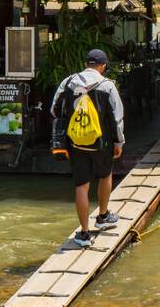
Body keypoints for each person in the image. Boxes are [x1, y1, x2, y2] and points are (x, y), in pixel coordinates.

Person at [50, 48, 126, 249]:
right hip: (102, 144)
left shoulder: (68, 82)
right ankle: (102, 216)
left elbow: (55, 110)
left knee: (81, 186)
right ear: (103, 66)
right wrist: (119, 143)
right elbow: (117, 118)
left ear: (86, 64)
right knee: (105, 175)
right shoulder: (107, 86)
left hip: (75, 143)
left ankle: (84, 233)